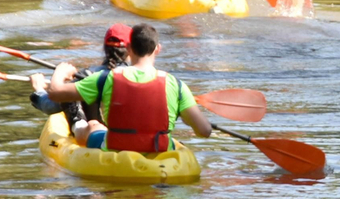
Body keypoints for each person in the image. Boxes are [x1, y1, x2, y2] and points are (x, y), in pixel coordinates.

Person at [44, 23, 214, 150]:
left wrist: (60, 71)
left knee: (94, 125)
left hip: (116, 151)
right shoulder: (176, 85)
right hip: (160, 156)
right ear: (157, 49)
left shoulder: (105, 79)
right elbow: (205, 131)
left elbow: (55, 93)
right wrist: (185, 116)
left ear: (129, 48)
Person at [29, 23, 131, 130]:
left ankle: (78, 121)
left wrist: (39, 88)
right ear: (132, 49)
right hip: (134, 138)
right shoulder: (145, 76)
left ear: (105, 48)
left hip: (99, 136)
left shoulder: (90, 76)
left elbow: (50, 106)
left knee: (72, 100)